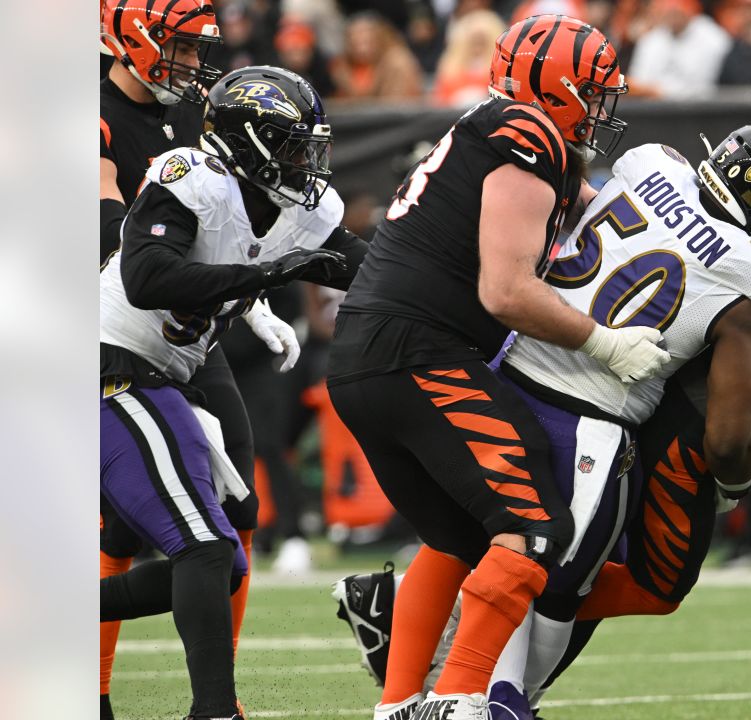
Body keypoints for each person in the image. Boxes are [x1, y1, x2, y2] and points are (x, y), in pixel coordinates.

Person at [338, 160, 751, 707]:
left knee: (515, 538)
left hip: (550, 361)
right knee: (620, 576)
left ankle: (427, 664)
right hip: (641, 410)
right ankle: (494, 692)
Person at [324, 15, 646, 720]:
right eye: (590, 93)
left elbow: (600, 221)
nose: (598, 110)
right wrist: (605, 342)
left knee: (461, 537)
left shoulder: (503, 130)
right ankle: (461, 699)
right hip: (418, 352)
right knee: (533, 528)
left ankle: (400, 705)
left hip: (370, 354)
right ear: (553, 87)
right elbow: (506, 290)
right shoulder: (528, 135)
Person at [482, 123, 751, 717]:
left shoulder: (650, 162)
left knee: (491, 551)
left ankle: (456, 683)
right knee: (559, 591)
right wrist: (735, 486)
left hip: (506, 373)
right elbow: (728, 433)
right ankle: (506, 701)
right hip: (589, 419)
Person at [100, 66, 366, 720]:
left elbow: (372, 266)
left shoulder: (299, 207)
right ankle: (217, 712)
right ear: (249, 143)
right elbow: (146, 276)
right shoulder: (190, 175)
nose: (308, 161)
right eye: (294, 144)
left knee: (228, 564)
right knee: (204, 548)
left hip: (163, 374)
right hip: (107, 365)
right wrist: (267, 276)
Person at [97, 4, 289, 717]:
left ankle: (219, 693)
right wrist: (229, 277)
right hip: (119, 326)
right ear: (130, 38)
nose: (189, 60)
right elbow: (108, 228)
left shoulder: (190, 114)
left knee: (236, 511)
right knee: (126, 530)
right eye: (176, 44)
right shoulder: (93, 114)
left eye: (193, 46)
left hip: (185, 326)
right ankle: (93, 690)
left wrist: (245, 289)